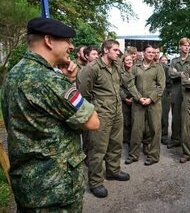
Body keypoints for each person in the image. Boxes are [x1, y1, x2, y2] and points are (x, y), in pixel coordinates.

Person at [1, 17, 100, 212]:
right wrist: (69, 84)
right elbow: (92, 122)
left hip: (29, 185)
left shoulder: (15, 73)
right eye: (67, 41)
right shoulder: (48, 80)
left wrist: (66, 80)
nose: (71, 47)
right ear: (48, 41)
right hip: (55, 190)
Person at [77, 39, 130, 198]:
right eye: (115, 50)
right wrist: (92, 112)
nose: (118, 52)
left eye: (118, 50)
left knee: (115, 143)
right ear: (105, 50)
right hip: (101, 113)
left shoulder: (116, 67)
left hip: (116, 111)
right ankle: (96, 182)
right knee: (98, 148)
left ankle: (113, 170)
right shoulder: (92, 68)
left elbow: (119, 86)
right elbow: (84, 94)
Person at [125, 44, 165, 166]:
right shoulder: (135, 67)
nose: (151, 54)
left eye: (153, 53)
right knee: (136, 129)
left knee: (155, 129)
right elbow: (130, 84)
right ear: (144, 53)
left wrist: (150, 99)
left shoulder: (158, 67)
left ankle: (153, 155)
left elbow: (161, 86)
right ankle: (133, 155)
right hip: (138, 103)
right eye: (149, 52)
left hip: (154, 103)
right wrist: (138, 98)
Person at [168, 37, 190, 149]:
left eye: (188, 45)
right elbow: (170, 74)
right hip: (176, 93)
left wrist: (178, 73)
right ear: (180, 47)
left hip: (189, 92)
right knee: (176, 117)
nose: (186, 47)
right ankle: (176, 139)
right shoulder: (174, 61)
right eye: (184, 45)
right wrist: (182, 74)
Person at [120, 54, 133, 145]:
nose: (129, 61)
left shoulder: (136, 71)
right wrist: (125, 98)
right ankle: (126, 139)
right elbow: (119, 87)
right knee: (126, 121)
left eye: (131, 60)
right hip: (125, 99)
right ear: (123, 62)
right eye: (127, 60)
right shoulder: (120, 73)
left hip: (136, 99)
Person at [159, 54, 172, 145]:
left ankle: (164, 136)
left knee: (164, 117)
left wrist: (167, 92)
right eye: (162, 60)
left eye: (165, 60)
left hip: (164, 96)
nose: (164, 61)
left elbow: (170, 82)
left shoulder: (166, 69)